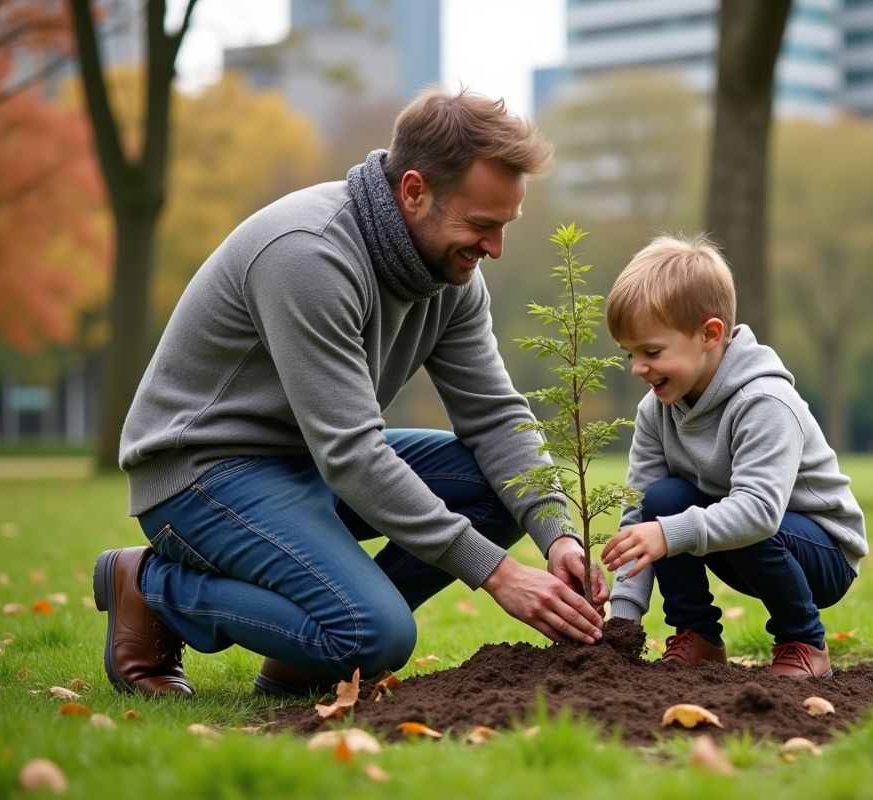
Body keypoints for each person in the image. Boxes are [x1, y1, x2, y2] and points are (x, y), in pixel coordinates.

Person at [93, 88, 608, 697]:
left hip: (306, 462)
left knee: (496, 488)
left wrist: (558, 533)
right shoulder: (308, 253)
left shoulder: (454, 276)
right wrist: (496, 572)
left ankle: (312, 649)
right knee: (378, 638)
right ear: (414, 191)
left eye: (503, 226)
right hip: (202, 473)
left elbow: (496, 417)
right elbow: (353, 454)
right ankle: (151, 585)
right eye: (480, 224)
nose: (494, 248)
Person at [599, 234, 867, 678]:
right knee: (661, 500)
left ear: (710, 335)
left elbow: (760, 513)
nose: (636, 369)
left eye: (651, 352)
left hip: (818, 550)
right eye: (630, 354)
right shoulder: (655, 410)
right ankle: (698, 638)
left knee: (708, 520)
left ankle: (804, 642)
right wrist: (623, 620)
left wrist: (668, 534)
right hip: (743, 541)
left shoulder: (764, 401)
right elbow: (639, 521)